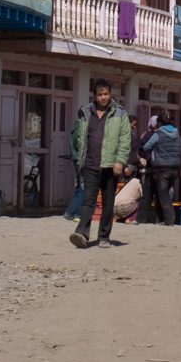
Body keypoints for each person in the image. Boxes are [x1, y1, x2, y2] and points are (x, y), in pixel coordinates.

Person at [69, 80, 133, 248]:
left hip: (110, 166)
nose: (103, 97)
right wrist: (78, 160)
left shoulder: (120, 113)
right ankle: (82, 233)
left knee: (107, 203)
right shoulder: (85, 112)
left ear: (110, 94)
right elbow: (78, 137)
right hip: (90, 164)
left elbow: (125, 139)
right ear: (94, 96)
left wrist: (120, 161)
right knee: (88, 201)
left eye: (106, 94)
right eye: (100, 94)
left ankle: (104, 236)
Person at [139, 114, 181, 224]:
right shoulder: (178, 135)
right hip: (175, 168)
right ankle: (164, 219)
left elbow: (146, 147)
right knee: (165, 193)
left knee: (163, 195)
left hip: (161, 168)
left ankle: (169, 219)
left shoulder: (158, 134)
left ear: (159, 123)